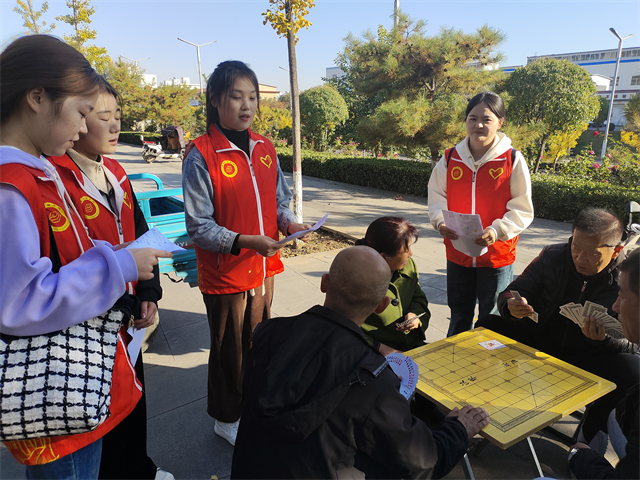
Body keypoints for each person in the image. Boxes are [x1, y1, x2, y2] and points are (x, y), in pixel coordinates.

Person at [0, 35, 170, 479]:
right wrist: (118, 266)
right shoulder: (12, 187)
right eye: (81, 112)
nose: (82, 128)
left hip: (73, 379)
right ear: (37, 98)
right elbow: (19, 303)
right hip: (55, 392)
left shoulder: (36, 174)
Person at [231, 246, 490, 479]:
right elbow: (422, 461)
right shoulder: (373, 378)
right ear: (381, 305)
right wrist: (458, 428)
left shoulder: (269, 333)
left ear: (324, 283)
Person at [48, 78, 172, 480]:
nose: (115, 125)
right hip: (91, 320)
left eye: (119, 116)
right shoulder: (56, 179)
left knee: (132, 398)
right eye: (103, 116)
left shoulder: (116, 172)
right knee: (96, 410)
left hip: (130, 316)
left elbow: (139, 233)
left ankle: (139, 469)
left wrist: (150, 291)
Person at [182, 60, 310, 446]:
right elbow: (199, 226)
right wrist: (245, 241)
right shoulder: (201, 155)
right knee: (229, 353)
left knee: (258, 340)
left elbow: (279, 201)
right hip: (226, 275)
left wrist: (290, 224)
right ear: (215, 100)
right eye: (236, 96)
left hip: (263, 268)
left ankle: (251, 404)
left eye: (252, 97)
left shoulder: (265, 147)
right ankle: (226, 418)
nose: (246, 105)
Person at [476, 208, 639, 444]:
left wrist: (605, 339)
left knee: (633, 369)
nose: (581, 259)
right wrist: (510, 305)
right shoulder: (552, 256)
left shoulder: (628, 277)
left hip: (589, 355)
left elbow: (634, 342)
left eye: (592, 253)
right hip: (541, 339)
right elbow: (513, 291)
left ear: (617, 250)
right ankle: (483, 402)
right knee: (488, 324)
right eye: (576, 247)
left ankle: (590, 437)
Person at [428, 92, 534, 337]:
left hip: (496, 254)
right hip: (458, 251)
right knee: (459, 313)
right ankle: (454, 361)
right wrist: (440, 221)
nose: (478, 125)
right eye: (472, 118)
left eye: (486, 119)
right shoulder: (450, 158)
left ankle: (490, 366)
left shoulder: (512, 159)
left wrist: (497, 231)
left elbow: (522, 207)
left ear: (500, 122)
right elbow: (436, 196)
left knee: (494, 317)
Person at [569, 248, 640, 479]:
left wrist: (582, 459)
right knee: (614, 416)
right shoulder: (552, 257)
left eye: (623, 295)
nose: (616, 307)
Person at [355, 216, 430, 354]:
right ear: (383, 257)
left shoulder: (408, 266)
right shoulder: (356, 277)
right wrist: (380, 349)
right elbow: (346, 327)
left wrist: (414, 317)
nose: (411, 255)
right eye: (406, 250)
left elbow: (418, 298)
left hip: (411, 346)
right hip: (372, 353)